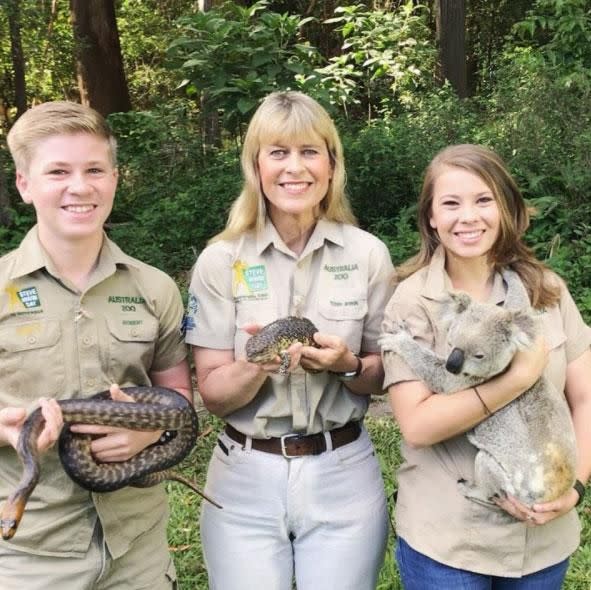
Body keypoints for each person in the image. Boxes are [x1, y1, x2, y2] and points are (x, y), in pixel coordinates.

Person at [184, 90, 395, 590]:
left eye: (308, 152)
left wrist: (345, 365)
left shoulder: (368, 255)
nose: (293, 168)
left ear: (331, 164)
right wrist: (257, 364)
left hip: (343, 470)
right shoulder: (221, 261)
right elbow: (213, 394)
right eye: (277, 152)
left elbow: (383, 374)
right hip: (244, 476)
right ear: (255, 165)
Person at [0, 101, 192, 590]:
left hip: (138, 550)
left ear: (114, 178)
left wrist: (148, 437)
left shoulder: (155, 288)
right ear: (24, 184)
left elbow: (180, 403)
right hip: (29, 559)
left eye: (94, 170)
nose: (79, 187)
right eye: (57, 171)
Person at [381, 143, 591, 589]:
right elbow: (417, 425)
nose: (468, 217)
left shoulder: (546, 291)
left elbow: (587, 395)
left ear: (506, 208)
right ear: (431, 217)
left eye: (483, 200)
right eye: (451, 203)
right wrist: (517, 378)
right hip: (451, 542)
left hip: (542, 538)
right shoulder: (413, 300)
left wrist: (574, 485)